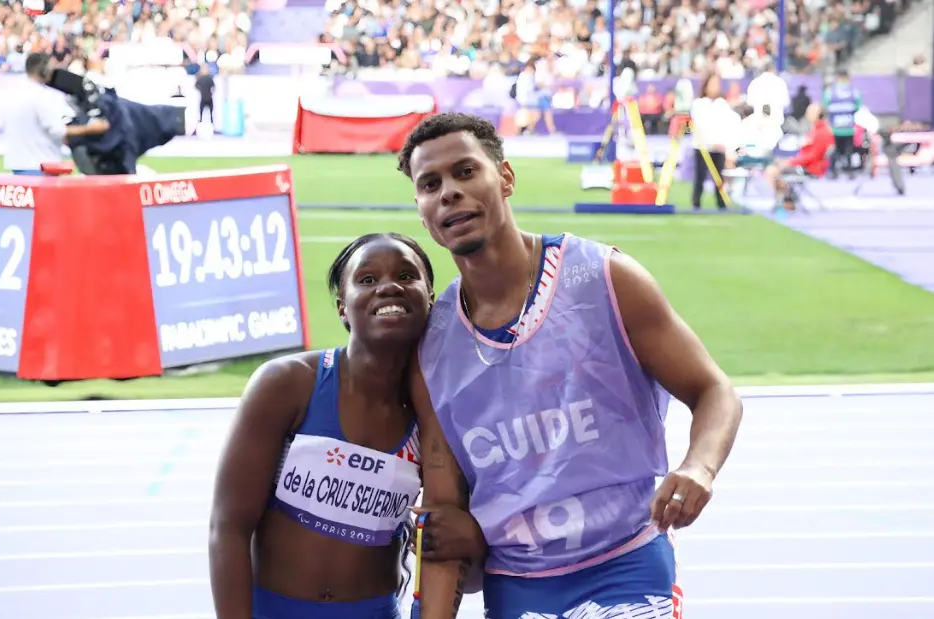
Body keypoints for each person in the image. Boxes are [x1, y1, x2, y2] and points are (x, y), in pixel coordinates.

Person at [397, 113, 744, 619]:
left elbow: (714, 390)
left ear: (506, 177)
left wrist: (699, 466)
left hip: (626, 564)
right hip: (517, 585)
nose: (449, 192)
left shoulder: (605, 277)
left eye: (466, 172)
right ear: (422, 209)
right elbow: (444, 520)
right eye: (430, 185)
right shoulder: (431, 345)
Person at [209, 233, 435, 619]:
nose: (389, 287)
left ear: (430, 298)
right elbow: (228, 527)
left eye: (406, 275)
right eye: (367, 279)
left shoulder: (433, 411)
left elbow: (456, 541)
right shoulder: (286, 384)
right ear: (342, 307)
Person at [1, 53, 109, 176]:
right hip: (41, 164)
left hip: (18, 163)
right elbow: (57, 130)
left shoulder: (12, 92)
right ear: (45, 69)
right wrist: (90, 128)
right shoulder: (42, 96)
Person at [764, 103, 834, 210]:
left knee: (772, 171)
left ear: (819, 115)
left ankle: (787, 198)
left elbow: (812, 156)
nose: (807, 114)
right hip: (807, 165)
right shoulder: (816, 130)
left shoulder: (821, 132)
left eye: (810, 112)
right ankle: (788, 198)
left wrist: (791, 162)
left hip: (811, 168)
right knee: (776, 167)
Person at [689, 73, 737, 209]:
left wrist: (724, 144)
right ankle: (696, 202)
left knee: (719, 176)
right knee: (700, 176)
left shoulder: (722, 104)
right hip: (702, 146)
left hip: (719, 146)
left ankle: (721, 203)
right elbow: (699, 125)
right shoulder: (699, 104)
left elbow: (726, 125)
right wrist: (709, 141)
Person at [822, 70, 861, 178]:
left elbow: (825, 106)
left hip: (834, 128)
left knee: (834, 149)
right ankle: (849, 171)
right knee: (849, 149)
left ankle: (833, 171)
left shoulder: (830, 91)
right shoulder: (854, 91)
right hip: (848, 127)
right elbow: (858, 106)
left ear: (837, 78)